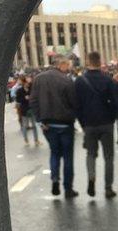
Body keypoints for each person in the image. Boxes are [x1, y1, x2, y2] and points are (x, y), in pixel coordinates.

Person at [31, 56, 78, 198]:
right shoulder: (67, 80)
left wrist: (40, 120)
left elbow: (33, 101)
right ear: (62, 64)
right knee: (68, 157)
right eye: (68, 65)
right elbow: (74, 102)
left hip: (48, 124)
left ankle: (55, 179)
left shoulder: (39, 79)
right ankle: (68, 189)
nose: (69, 68)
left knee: (55, 153)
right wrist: (73, 117)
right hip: (65, 124)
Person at [75, 51, 117, 198]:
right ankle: (108, 188)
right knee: (109, 157)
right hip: (106, 123)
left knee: (91, 154)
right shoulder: (108, 80)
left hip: (89, 124)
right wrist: (112, 119)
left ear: (88, 62)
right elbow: (115, 103)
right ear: (100, 62)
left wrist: (82, 122)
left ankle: (91, 178)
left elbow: (77, 105)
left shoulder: (80, 81)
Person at [15, 75, 38, 145]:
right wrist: (25, 98)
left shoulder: (31, 89)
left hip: (31, 109)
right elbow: (18, 100)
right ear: (23, 83)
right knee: (25, 126)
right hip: (24, 110)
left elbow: (35, 97)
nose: (27, 84)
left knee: (34, 125)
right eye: (26, 83)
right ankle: (26, 140)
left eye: (28, 83)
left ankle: (36, 140)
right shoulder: (19, 91)